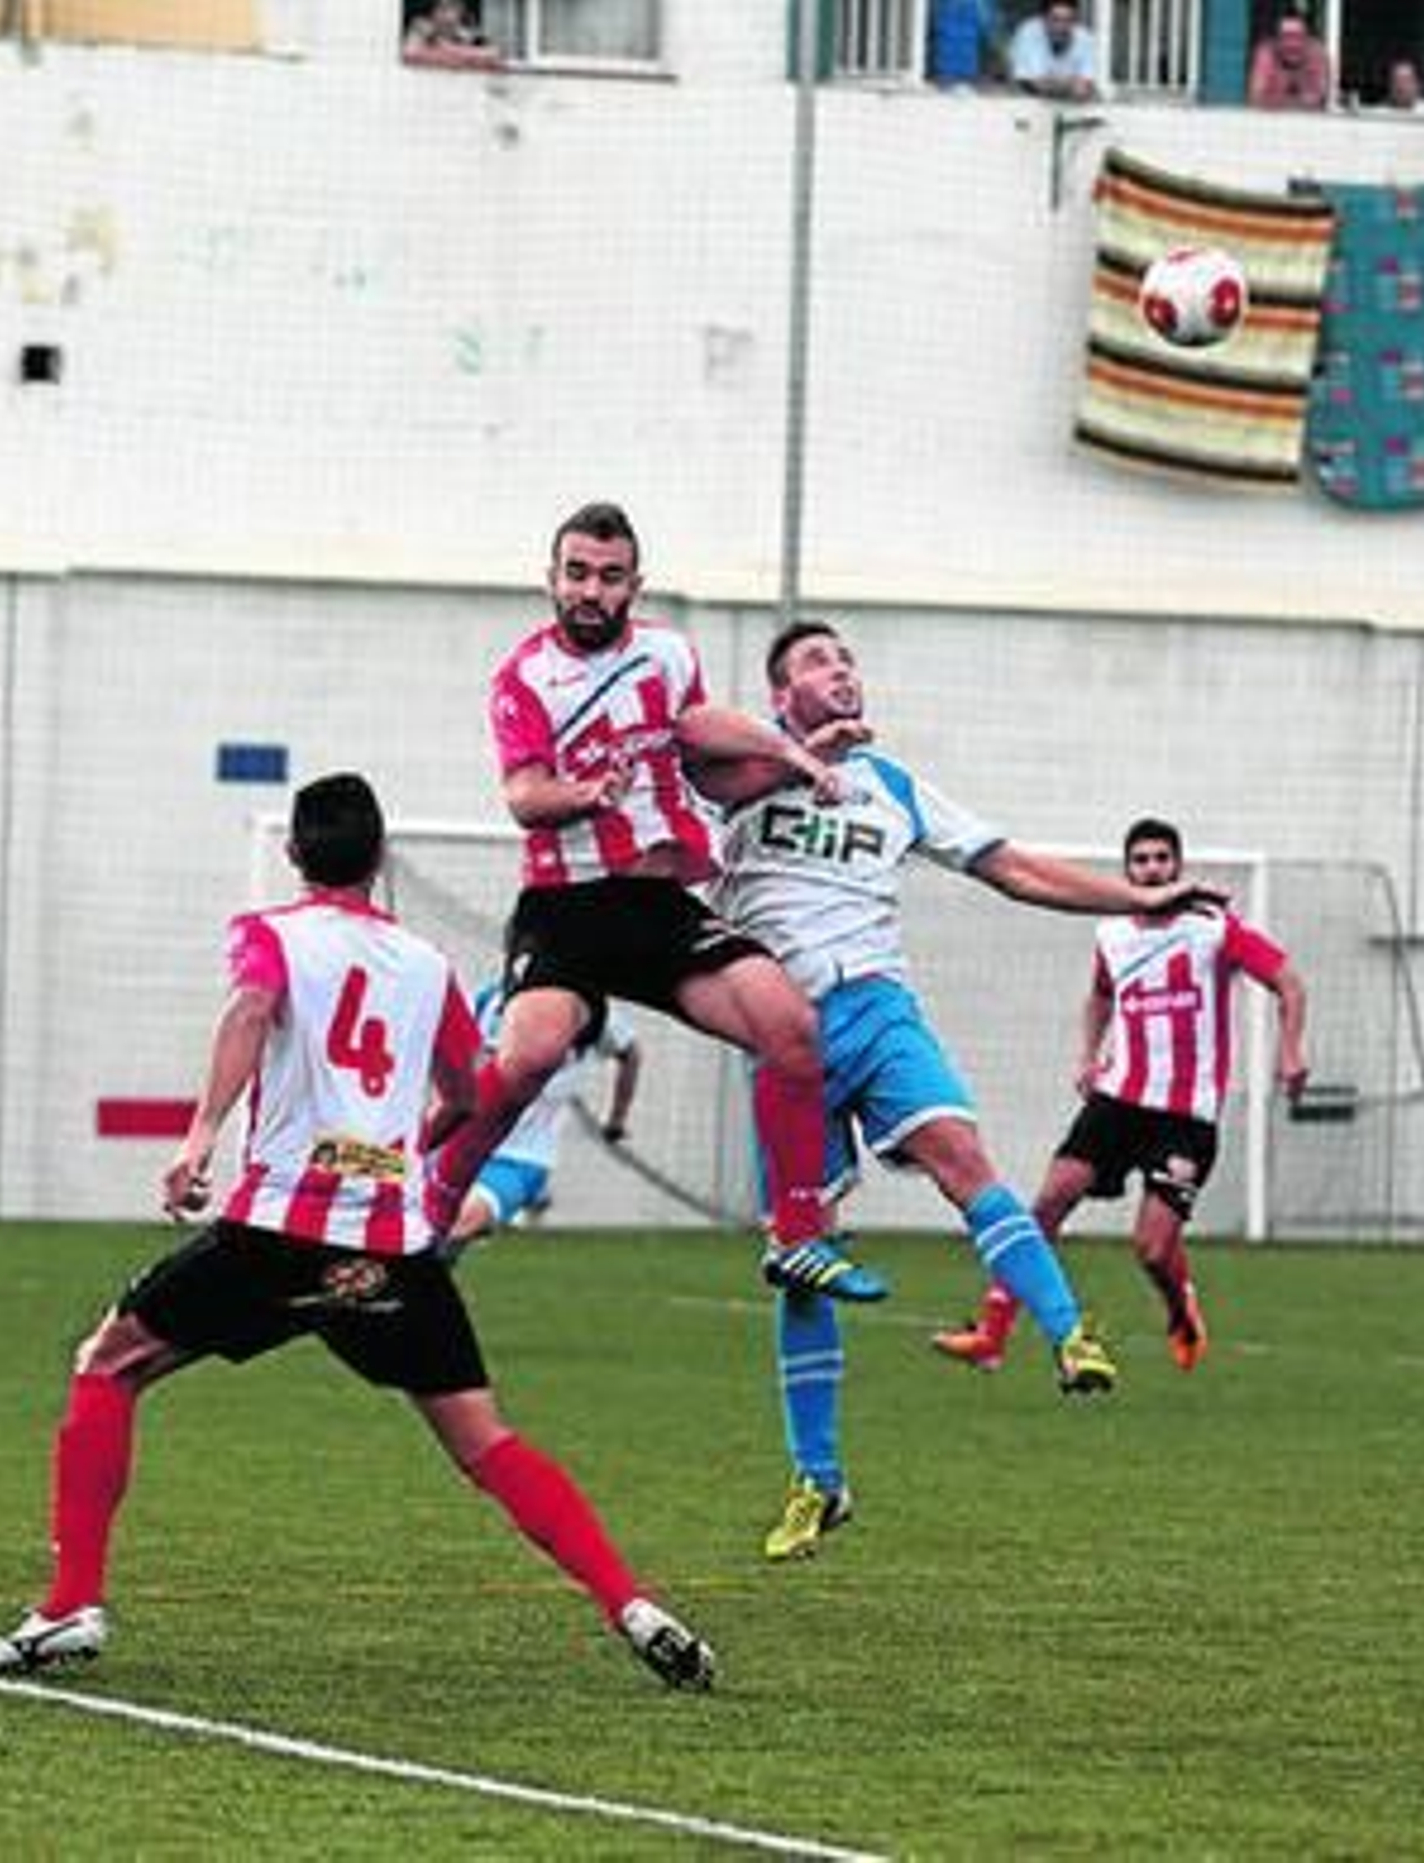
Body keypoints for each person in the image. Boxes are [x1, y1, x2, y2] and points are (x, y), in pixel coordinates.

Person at [0, 772, 713, 1691]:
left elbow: (249, 1009)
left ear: (294, 854)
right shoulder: (427, 966)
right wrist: (406, 1146)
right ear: (380, 860)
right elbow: (472, 1092)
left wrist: (201, 1132)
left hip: (277, 1231)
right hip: (389, 1245)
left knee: (109, 1363)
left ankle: (70, 1603)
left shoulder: (270, 935)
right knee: (485, 1440)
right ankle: (629, 1603)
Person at [709, 623, 1226, 1561]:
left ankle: (1070, 1332)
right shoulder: (734, 774)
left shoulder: (894, 786)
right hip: (781, 1028)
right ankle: (817, 1480)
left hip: (877, 1008)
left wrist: (1136, 899)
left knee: (964, 1160)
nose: (842, 672)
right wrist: (788, 764)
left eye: (846, 660)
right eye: (817, 663)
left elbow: (1014, 868)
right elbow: (678, 831)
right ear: (780, 696)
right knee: (802, 1256)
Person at [424, 501, 887, 1306]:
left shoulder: (668, 654)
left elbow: (698, 734)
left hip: (658, 904)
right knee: (530, 1055)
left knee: (791, 1029)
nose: (591, 590)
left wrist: (791, 753)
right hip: (566, 905)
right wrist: (587, 794)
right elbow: (526, 798)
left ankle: (799, 1235)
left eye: (608, 576)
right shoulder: (524, 678)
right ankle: (427, 1216)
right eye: (576, 573)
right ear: (552, 580)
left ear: (634, 583)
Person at [934, 816, 1308, 1377]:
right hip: (1117, 1102)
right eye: (1142, 861)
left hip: (1185, 1115)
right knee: (1048, 1201)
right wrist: (1089, 1055)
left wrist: (1291, 1051)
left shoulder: (1213, 928)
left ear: (1177, 866)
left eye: (1162, 859)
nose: (1153, 868)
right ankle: (992, 1334)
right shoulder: (1112, 935)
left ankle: (1181, 1306)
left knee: (1153, 1249)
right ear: (1129, 871)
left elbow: (1288, 981)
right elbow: (1099, 997)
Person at [444, 980, 641, 1248]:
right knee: (375, 1172)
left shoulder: (591, 1008)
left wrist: (617, 1119)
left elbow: (630, 1052)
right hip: (458, 1147)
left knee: (458, 1223)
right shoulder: (487, 998)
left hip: (519, 1159)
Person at [1007, 3, 1099, 102]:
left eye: (1068, 21)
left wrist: (1055, 84)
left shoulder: (1085, 38)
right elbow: (1033, 83)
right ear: (1043, 20)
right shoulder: (1029, 33)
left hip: (1070, 105)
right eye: (1055, 19)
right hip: (1028, 102)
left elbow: (1084, 87)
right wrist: (1070, 84)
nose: (1061, 27)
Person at [1247, 12, 1331, 110]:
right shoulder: (1266, 53)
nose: (1292, 44)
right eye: (1286, 36)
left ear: (1307, 38)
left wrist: (1276, 99)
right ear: (1277, 39)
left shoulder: (1316, 53)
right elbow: (1256, 97)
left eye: (1298, 37)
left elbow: (1319, 97)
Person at [401, 0, 504, 70]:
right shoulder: (421, 27)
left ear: (461, 12)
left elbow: (493, 54)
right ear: (432, 11)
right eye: (442, 9)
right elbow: (410, 53)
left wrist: (444, 46)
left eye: (453, 8)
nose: (448, 16)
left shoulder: (468, 34)